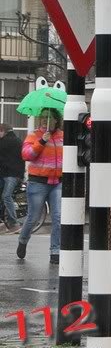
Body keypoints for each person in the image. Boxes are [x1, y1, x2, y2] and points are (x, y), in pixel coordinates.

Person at [17, 109, 62, 264]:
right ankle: (23, 240)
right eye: (42, 117)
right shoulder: (34, 135)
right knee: (33, 218)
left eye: (49, 117)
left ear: (56, 120)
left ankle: (55, 251)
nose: (45, 120)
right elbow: (26, 154)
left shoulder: (62, 137)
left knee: (58, 217)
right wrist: (42, 141)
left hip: (57, 183)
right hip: (38, 183)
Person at [0, 124, 25, 232]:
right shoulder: (18, 140)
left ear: (2, 131)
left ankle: (14, 223)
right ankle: (3, 221)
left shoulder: (5, 142)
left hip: (11, 175)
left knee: (6, 196)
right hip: (14, 174)